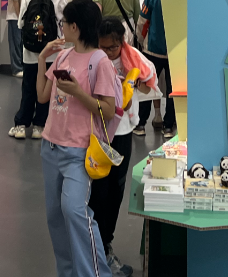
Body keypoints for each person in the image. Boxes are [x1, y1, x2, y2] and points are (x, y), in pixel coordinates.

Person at [37, 0, 118, 277]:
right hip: (51, 146)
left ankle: (95, 273)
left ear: (75, 26)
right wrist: (41, 59)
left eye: (64, 23)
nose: (61, 27)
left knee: (74, 210)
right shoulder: (62, 57)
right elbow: (43, 96)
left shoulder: (100, 62)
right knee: (55, 217)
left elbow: (108, 110)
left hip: (79, 151)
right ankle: (68, 272)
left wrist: (79, 93)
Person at [91, 17, 159, 276]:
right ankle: (95, 247)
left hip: (122, 132)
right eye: (103, 47)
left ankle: (105, 244)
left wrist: (136, 85)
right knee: (98, 190)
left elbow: (148, 83)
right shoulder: (95, 60)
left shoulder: (133, 59)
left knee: (116, 189)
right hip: (98, 132)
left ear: (122, 42)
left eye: (113, 47)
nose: (108, 52)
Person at [10, 0, 67, 140]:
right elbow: (65, 26)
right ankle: (39, 126)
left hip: (30, 53)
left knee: (28, 87)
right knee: (47, 90)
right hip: (52, 53)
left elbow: (20, 23)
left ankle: (21, 125)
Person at [135, 0, 176, 138]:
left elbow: (142, 22)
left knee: (147, 87)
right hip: (174, 51)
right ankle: (169, 126)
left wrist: (141, 41)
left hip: (152, 50)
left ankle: (141, 124)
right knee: (173, 90)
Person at [5, 0, 37, 77]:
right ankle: (16, 68)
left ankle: (24, 66)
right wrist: (20, 17)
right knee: (16, 42)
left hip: (27, 18)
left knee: (25, 42)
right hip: (15, 17)